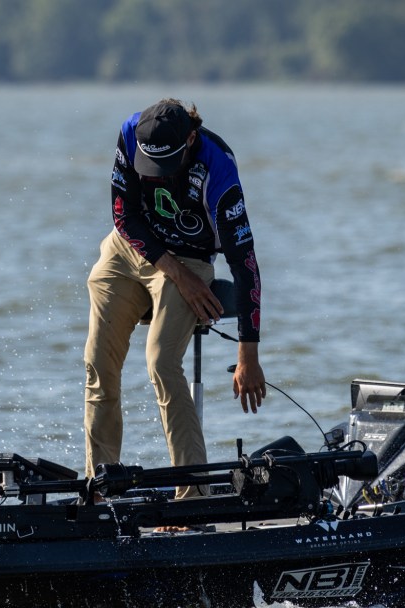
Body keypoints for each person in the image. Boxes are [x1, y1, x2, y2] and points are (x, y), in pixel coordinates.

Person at [84, 98, 266, 498]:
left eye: (166, 165)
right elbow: (123, 215)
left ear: (190, 139)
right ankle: (99, 490)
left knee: (162, 362)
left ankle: (193, 495)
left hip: (191, 257)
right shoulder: (131, 133)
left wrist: (248, 355)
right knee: (98, 363)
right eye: (151, 166)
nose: (158, 176)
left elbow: (245, 265)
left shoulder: (219, 171)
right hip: (131, 248)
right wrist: (174, 273)